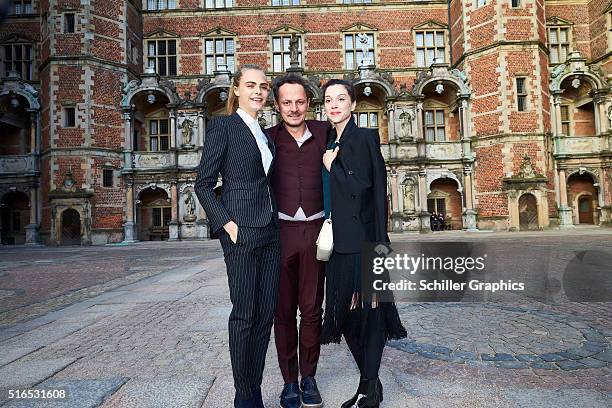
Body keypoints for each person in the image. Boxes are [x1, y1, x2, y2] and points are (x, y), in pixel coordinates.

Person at [195, 64, 280, 408]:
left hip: (272, 232)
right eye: (251, 85)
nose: (258, 91)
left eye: (263, 86)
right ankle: (244, 396)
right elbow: (202, 184)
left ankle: (254, 387)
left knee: (265, 315)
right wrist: (227, 225)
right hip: (241, 231)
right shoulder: (223, 127)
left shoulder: (265, 133)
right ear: (236, 90)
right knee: (244, 313)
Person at [321, 79, 407, 408]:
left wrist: (334, 169)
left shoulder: (365, 137)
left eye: (341, 99)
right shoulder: (330, 140)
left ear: (353, 105)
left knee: (370, 317)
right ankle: (369, 383)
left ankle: (368, 391)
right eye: (329, 100)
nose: (334, 104)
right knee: (345, 318)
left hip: (366, 243)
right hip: (338, 246)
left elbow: (365, 189)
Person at [266, 75, 330, 408]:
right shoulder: (267, 139)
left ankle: (310, 377)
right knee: (283, 312)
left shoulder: (325, 133)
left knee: (311, 311)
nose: (294, 108)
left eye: (300, 101)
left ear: (309, 103)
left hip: (317, 232)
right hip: (280, 233)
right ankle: (289, 381)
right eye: (287, 102)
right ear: (277, 105)